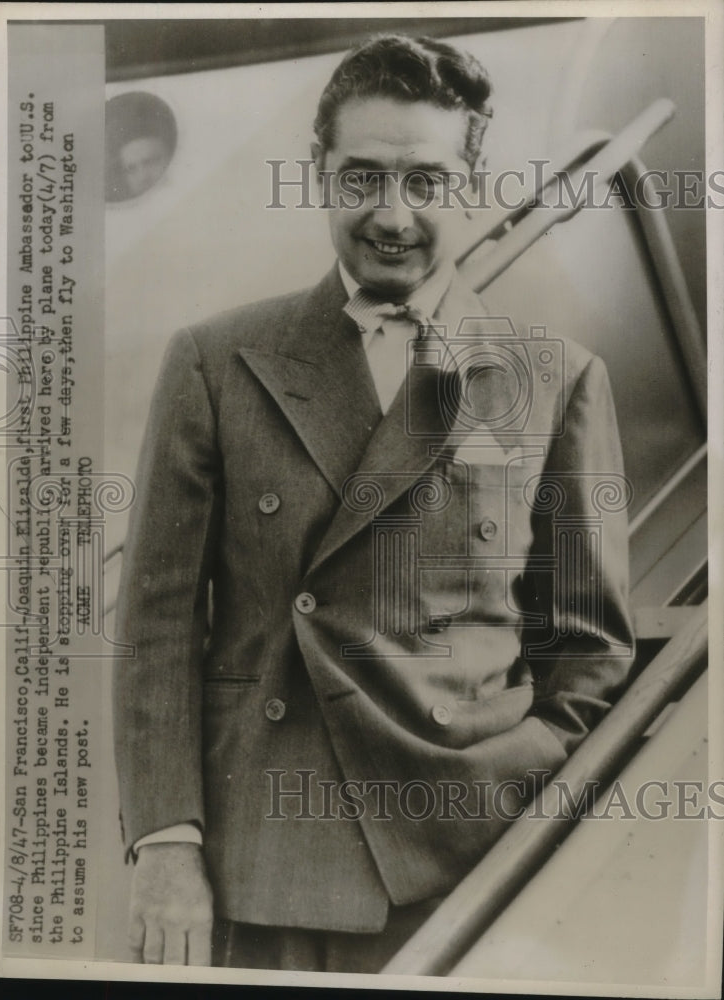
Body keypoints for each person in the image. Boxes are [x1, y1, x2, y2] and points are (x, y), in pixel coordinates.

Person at [113, 33, 634, 973]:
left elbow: (587, 646)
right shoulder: (215, 362)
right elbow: (154, 627)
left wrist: (516, 781)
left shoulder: (554, 379)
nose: (391, 215)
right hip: (262, 859)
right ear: (319, 175)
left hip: (468, 859)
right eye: (361, 177)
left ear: (469, 182)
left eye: (426, 181)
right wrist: (166, 842)